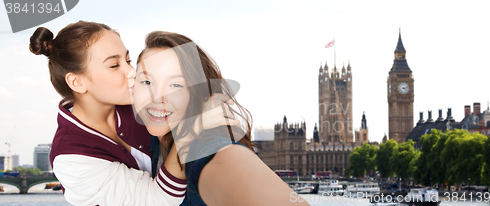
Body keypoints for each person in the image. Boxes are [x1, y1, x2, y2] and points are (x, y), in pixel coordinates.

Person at [29, 21, 235, 206]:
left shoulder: (138, 98)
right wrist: (191, 129)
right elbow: (158, 200)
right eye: (114, 65)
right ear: (77, 82)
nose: (132, 73)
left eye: (128, 60)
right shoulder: (72, 157)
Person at [134, 31, 310, 206]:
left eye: (176, 85)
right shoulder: (146, 137)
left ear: (196, 92)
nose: (157, 97)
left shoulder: (208, 146)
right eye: (147, 82)